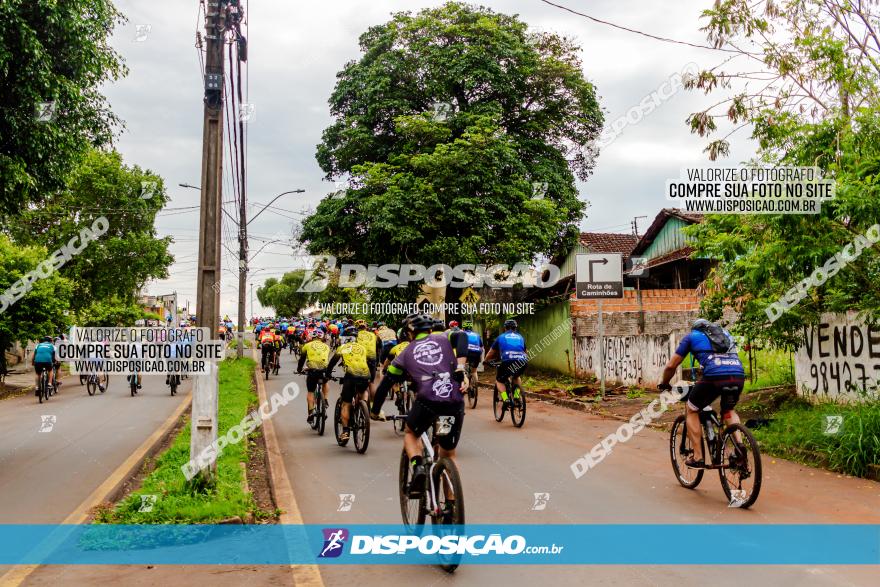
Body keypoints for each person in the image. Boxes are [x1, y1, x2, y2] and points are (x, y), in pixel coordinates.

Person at [375, 313, 469, 496]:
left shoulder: (404, 354)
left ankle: (417, 467)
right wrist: (460, 368)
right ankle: (451, 506)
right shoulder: (444, 337)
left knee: (411, 433)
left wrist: (375, 410)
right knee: (448, 454)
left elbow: (385, 385)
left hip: (427, 403)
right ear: (430, 329)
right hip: (452, 403)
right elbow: (462, 336)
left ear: (409, 333)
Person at [658, 319, 747, 468]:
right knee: (728, 410)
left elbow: (671, 365)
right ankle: (740, 447)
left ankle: (698, 457)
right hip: (738, 375)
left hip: (715, 377)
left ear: (695, 329)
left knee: (692, 409)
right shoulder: (725, 334)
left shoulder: (692, 337)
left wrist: (665, 383)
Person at [325, 326, 371, 443]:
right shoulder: (363, 348)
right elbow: (369, 361)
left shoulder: (343, 348)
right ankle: (364, 409)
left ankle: (345, 431)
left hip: (351, 376)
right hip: (365, 375)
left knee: (346, 403)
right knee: (363, 391)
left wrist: (328, 374)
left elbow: (332, 363)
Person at [484, 319, 527, 415]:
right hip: (522, 360)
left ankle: (506, 399)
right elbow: (525, 351)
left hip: (507, 360)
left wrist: (485, 361)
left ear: (505, 328)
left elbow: (491, 352)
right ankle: (516, 396)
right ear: (515, 328)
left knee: (499, 381)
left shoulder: (501, 337)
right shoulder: (520, 337)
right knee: (516, 377)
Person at [297, 329, 332, 424]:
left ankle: (311, 412)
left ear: (312, 337)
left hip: (312, 370)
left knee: (311, 391)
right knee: (325, 382)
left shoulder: (307, 345)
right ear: (322, 337)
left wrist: (299, 369)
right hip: (324, 370)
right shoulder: (326, 346)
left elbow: (302, 359)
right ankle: (325, 399)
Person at [354, 320, 382, 398]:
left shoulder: (355, 335)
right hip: (372, 359)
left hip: (360, 360)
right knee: (371, 382)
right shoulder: (373, 335)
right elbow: (378, 346)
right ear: (366, 327)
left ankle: (359, 402)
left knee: (357, 381)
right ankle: (374, 405)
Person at [462, 321, 483, 387]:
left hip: (466, 352)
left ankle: (465, 384)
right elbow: (482, 347)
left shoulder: (462, 334)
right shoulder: (477, 335)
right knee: (474, 371)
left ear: (463, 328)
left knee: (461, 368)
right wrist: (481, 357)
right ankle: (475, 387)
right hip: (477, 353)